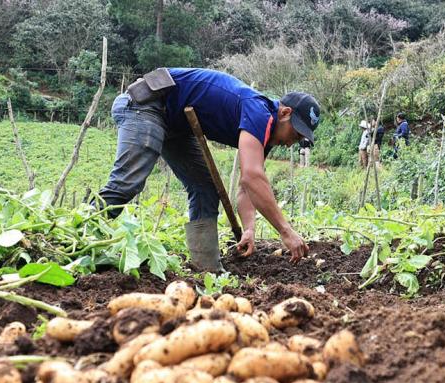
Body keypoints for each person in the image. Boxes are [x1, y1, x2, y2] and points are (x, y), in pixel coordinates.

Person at [97, 68, 320, 271]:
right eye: (295, 134)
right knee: (127, 183)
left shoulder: (267, 132)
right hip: (145, 105)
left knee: (205, 189)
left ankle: (206, 269)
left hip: (176, 124)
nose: (291, 143)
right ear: (285, 113)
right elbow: (252, 177)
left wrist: (249, 229)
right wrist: (285, 230)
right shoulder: (259, 112)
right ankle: (84, 236)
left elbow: (247, 186)